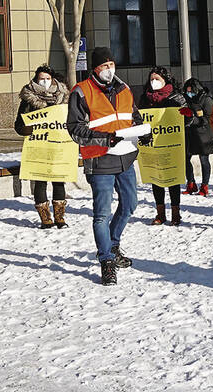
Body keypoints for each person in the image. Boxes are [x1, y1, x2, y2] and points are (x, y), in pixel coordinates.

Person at [66, 47, 148, 286]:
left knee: (130, 205)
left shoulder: (124, 89)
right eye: (104, 66)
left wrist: (142, 132)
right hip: (99, 158)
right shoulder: (81, 92)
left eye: (111, 65)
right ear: (95, 69)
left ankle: (112, 244)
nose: (109, 70)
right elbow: (75, 129)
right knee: (102, 213)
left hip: (125, 157)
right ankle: (106, 260)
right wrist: (106, 138)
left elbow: (134, 115)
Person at [15, 65, 71, 229]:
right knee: (40, 181)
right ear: (36, 80)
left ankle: (60, 216)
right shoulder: (28, 98)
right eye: (41, 79)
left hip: (58, 144)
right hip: (38, 145)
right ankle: (45, 217)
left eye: (47, 79)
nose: (45, 82)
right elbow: (19, 124)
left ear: (53, 80)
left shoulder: (63, 96)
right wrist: (28, 128)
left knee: (59, 180)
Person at [138, 66, 193, 226]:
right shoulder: (145, 98)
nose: (153, 82)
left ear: (165, 80)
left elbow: (188, 120)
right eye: (151, 79)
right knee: (156, 179)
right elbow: (139, 117)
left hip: (171, 144)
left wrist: (187, 116)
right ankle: (160, 213)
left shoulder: (176, 96)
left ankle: (176, 213)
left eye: (157, 79)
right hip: (153, 144)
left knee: (172, 179)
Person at [181, 78, 213, 197]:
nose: (189, 93)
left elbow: (207, 118)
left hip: (203, 134)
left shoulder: (206, 99)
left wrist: (192, 117)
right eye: (187, 91)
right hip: (189, 134)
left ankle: (204, 186)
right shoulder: (185, 98)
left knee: (204, 160)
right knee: (185, 159)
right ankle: (190, 183)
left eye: (191, 91)